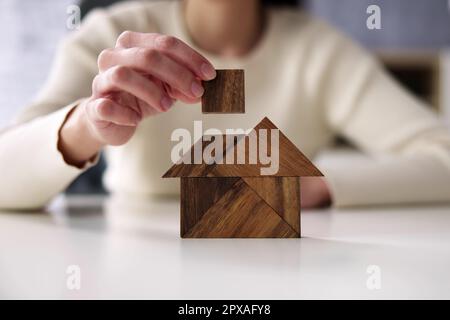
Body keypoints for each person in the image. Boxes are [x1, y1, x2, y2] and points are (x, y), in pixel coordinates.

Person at [0, 0, 449, 210]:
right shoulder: (113, 33)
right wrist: (87, 126)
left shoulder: (320, 52)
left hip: (281, 272)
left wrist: (319, 185)